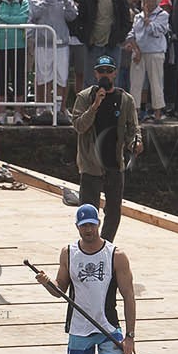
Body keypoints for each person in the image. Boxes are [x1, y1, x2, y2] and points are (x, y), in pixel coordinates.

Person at [37, 205, 137, 354]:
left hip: (108, 325)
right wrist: (46, 282)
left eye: (92, 224)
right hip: (79, 327)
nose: (88, 230)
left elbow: (129, 295)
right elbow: (59, 291)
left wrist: (130, 336)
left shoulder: (116, 255)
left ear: (98, 224)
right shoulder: (68, 253)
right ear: (77, 227)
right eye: (84, 226)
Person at [70, 54, 141, 234]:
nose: (105, 74)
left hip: (114, 163)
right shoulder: (85, 97)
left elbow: (133, 129)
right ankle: (89, 244)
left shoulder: (126, 99)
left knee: (114, 211)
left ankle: (106, 244)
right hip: (91, 164)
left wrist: (136, 142)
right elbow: (79, 126)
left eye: (108, 71)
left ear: (115, 73)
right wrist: (95, 106)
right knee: (88, 211)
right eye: (101, 71)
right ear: (95, 74)